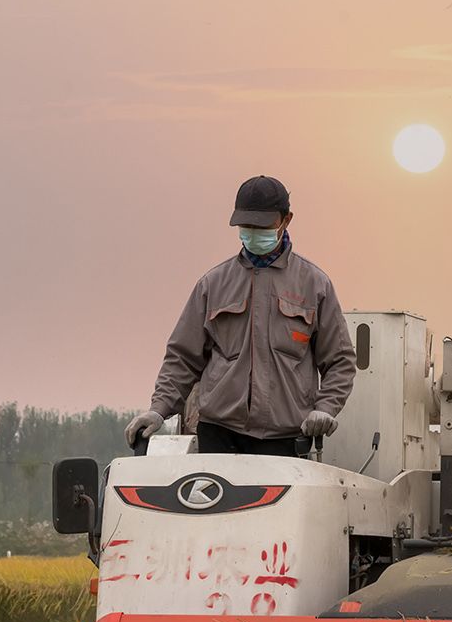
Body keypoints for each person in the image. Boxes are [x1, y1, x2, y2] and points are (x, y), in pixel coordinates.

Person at [124, 175, 357, 455]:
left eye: (262, 225)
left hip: (285, 439)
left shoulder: (315, 285)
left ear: (286, 219)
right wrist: (158, 410)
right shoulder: (212, 284)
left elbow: (340, 361)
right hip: (218, 435)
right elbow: (182, 358)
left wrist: (325, 409)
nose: (254, 232)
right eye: (247, 226)